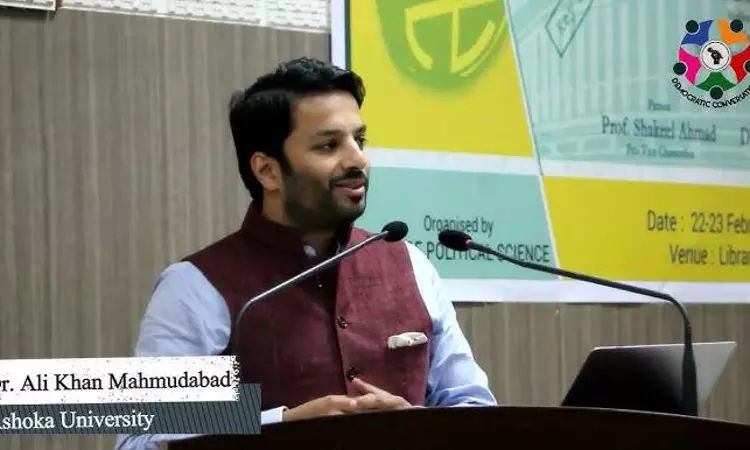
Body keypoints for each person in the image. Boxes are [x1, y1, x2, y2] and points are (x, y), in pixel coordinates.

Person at [115, 57, 496, 450]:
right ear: (267, 171)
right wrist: (282, 424)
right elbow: (140, 440)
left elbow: (476, 409)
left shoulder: (411, 264)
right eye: (329, 145)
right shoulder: (194, 286)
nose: (357, 160)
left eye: (359, 140)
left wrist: (412, 423)